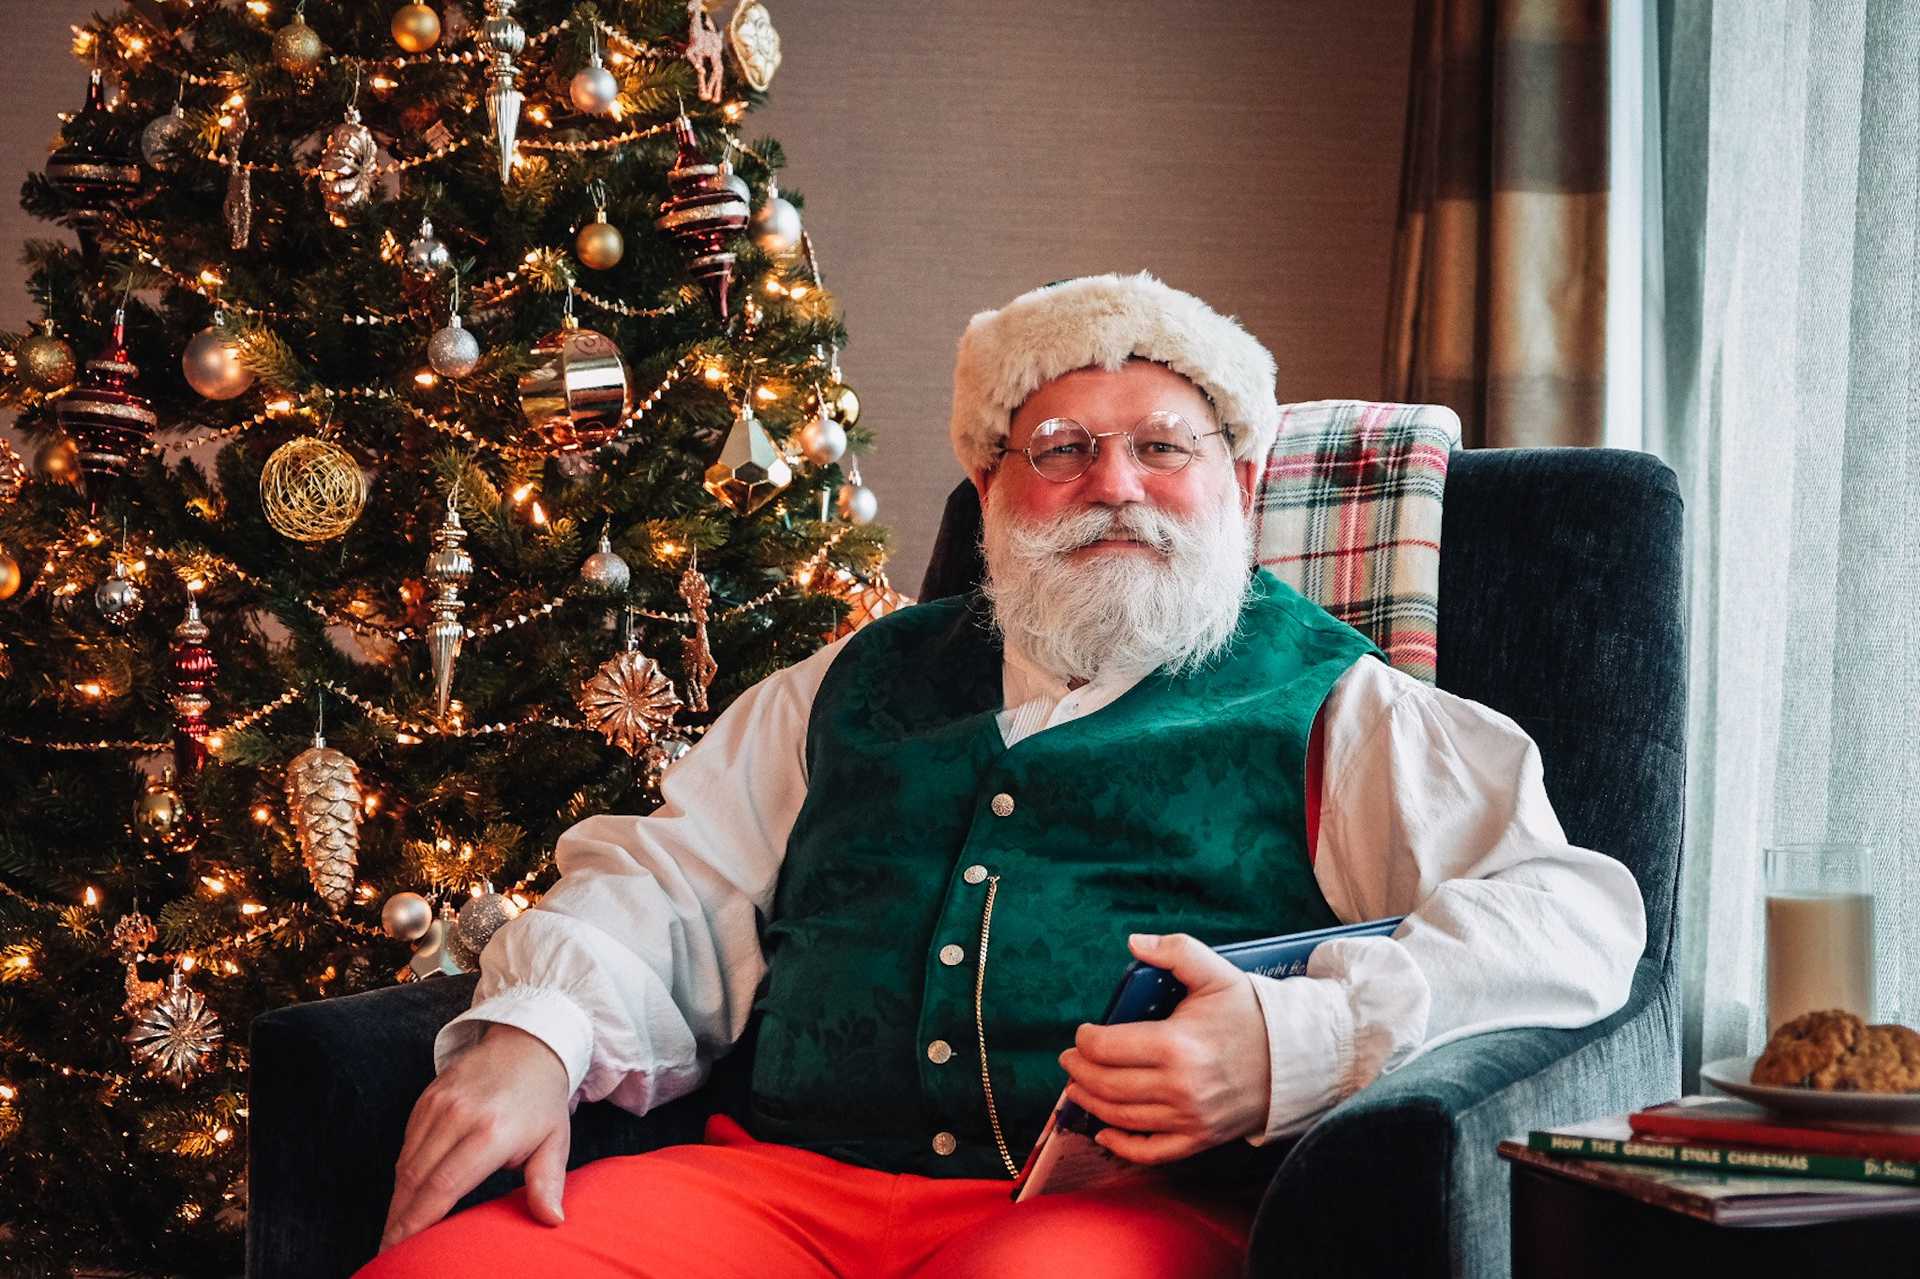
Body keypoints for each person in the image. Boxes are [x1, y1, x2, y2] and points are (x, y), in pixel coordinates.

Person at [360, 272, 1645, 1278]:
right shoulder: (850, 681)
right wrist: (542, 1033)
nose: (1116, 487)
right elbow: (673, 880)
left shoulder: (1339, 703)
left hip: (1119, 1214)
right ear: (989, 486)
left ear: (1242, 483)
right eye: (1063, 449)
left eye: (1166, 448)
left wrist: (1297, 1039)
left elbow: (1571, 913)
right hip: (778, 1191)